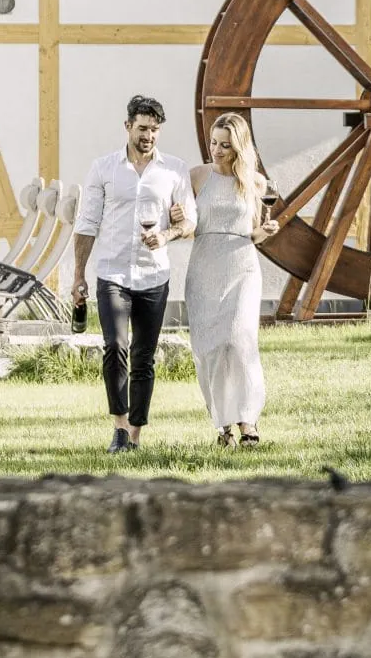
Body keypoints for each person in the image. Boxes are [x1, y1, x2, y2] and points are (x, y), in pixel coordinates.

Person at [70, 95, 193, 452]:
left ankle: (136, 435)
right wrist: (78, 276)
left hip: (154, 276)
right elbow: (87, 223)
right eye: (142, 129)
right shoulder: (104, 169)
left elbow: (189, 222)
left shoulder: (174, 170)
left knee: (144, 356)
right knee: (115, 348)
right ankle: (120, 427)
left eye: (154, 130)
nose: (149, 136)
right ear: (127, 127)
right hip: (112, 273)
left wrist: (167, 234)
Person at [183, 112, 279, 446]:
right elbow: (185, 222)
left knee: (240, 340)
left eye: (225, 145)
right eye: (213, 143)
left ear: (239, 147)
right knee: (211, 348)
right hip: (204, 265)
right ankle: (222, 424)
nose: (217, 150)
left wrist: (264, 232)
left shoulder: (255, 182)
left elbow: (252, 233)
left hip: (242, 266)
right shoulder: (196, 177)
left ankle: (248, 422)